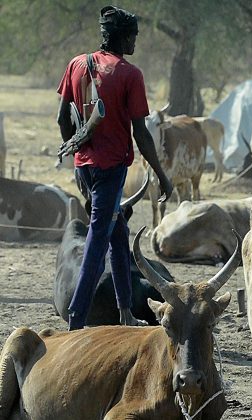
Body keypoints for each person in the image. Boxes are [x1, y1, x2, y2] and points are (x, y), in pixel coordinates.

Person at [56, 5, 173, 330]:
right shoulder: (129, 74)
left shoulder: (78, 64)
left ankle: (124, 313)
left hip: (85, 169)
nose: (135, 42)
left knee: (118, 235)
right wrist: (161, 176)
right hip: (111, 171)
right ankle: (77, 319)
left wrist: (79, 152)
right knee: (97, 241)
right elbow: (142, 133)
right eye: (133, 36)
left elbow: (62, 118)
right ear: (122, 37)